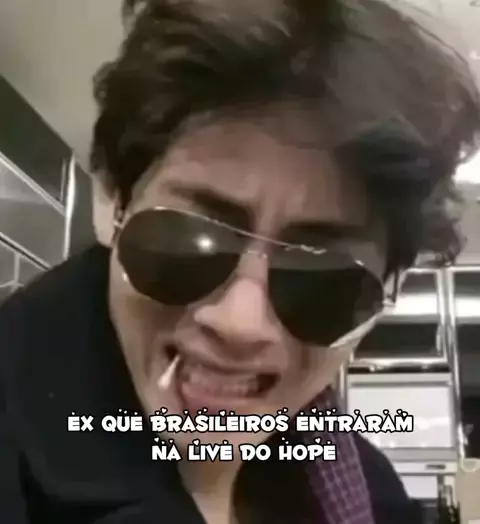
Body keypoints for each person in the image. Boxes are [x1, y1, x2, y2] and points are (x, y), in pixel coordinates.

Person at [1, 0, 479, 523]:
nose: (240, 324)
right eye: (188, 241)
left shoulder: (361, 485)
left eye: (322, 282)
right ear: (113, 201)